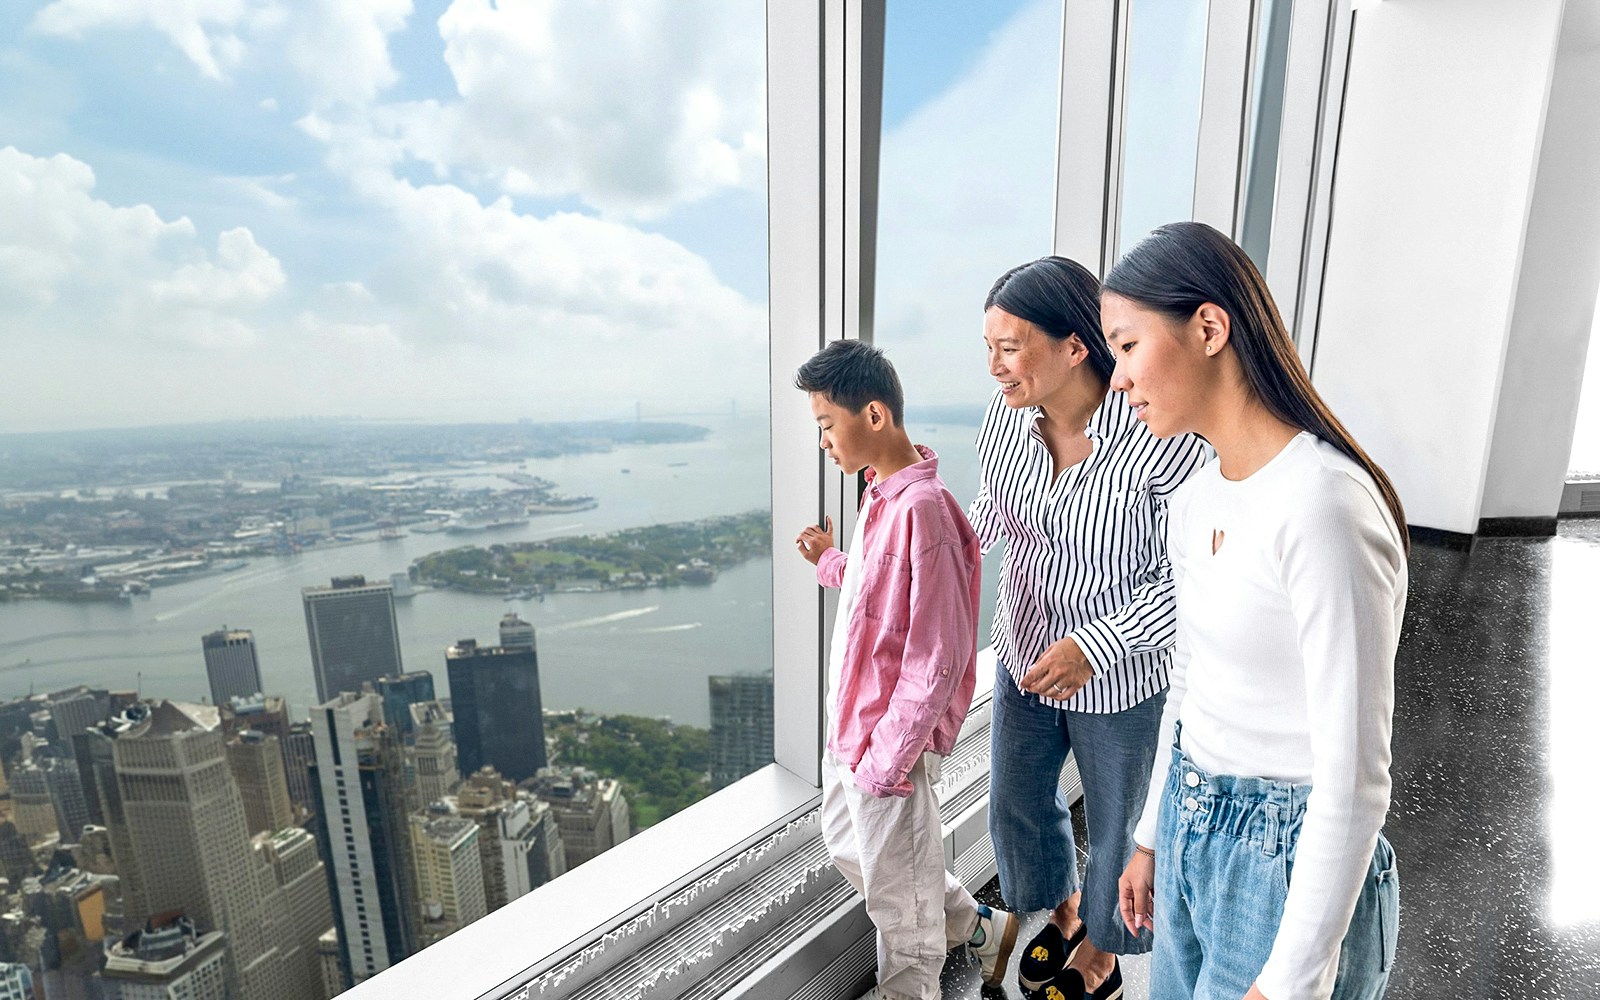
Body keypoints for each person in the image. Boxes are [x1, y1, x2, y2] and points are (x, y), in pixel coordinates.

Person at [1106, 222, 1407, 1000]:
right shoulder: (1197, 494)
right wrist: (1150, 837)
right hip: (1190, 822)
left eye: (1128, 347)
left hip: (1288, 862)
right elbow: (1191, 678)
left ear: (1209, 327)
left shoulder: (1323, 506)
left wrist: (1293, 980)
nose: (1116, 380)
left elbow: (1353, 776)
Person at [971, 256, 1210, 1000]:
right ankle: (1068, 912)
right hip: (1024, 651)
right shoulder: (1005, 419)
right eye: (988, 349)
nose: (996, 368)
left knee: (1117, 824)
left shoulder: (1157, 433)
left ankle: (1104, 955)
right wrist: (929, 544)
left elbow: (1192, 576)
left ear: (1076, 347)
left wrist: (1096, 646)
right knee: (1015, 800)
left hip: (1122, 674)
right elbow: (992, 512)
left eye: (1011, 347)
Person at [792, 339, 1017, 1000]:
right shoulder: (881, 498)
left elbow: (940, 656)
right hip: (853, 735)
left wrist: (888, 760)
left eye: (827, 425)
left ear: (874, 415)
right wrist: (832, 562)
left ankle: (918, 979)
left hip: (885, 749)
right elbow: (877, 596)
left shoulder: (925, 511)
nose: (824, 442)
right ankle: (981, 929)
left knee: (902, 914)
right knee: (849, 851)